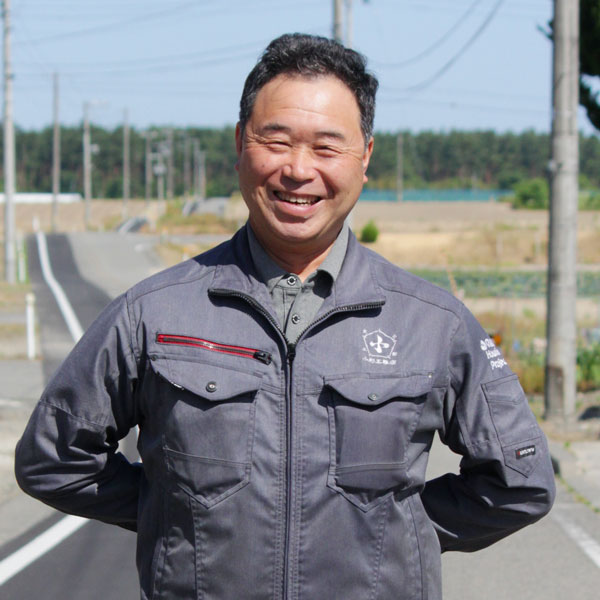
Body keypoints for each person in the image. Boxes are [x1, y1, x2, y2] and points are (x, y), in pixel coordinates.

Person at [15, 33, 555, 600]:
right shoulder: (153, 312)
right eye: (275, 141)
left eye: (326, 148)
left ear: (365, 158)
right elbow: (53, 459)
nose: (298, 170)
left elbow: (520, 480)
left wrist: (395, 535)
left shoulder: (432, 322)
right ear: (240, 144)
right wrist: (177, 518)